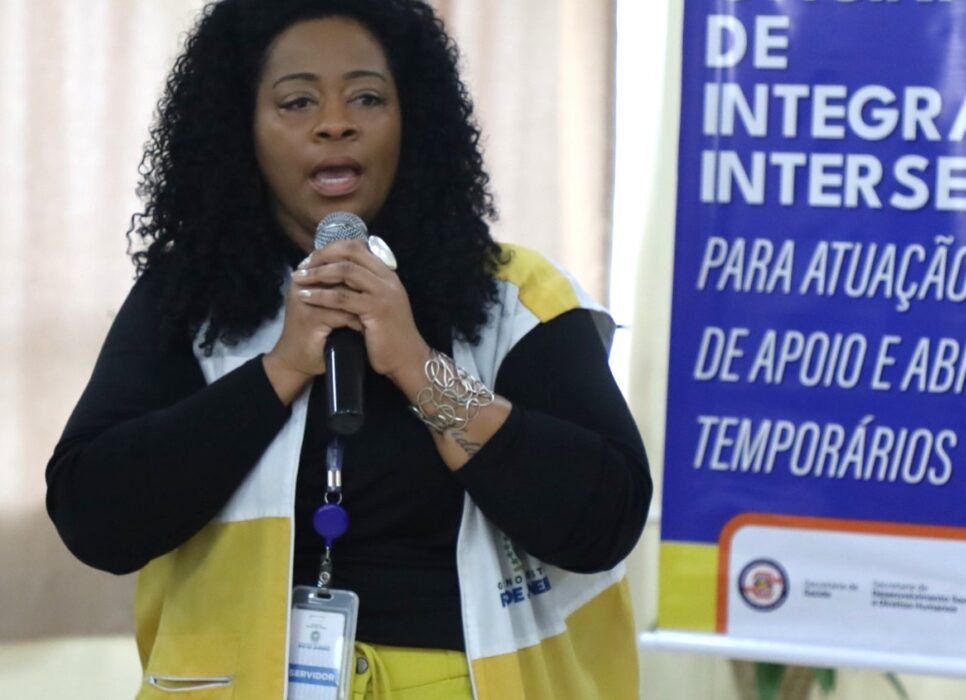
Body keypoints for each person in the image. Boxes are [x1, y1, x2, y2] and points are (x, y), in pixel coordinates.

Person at [44, 1, 651, 698]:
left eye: (367, 97)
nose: (336, 123)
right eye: (297, 102)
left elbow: (604, 521)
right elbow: (95, 520)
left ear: (412, 120)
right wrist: (279, 371)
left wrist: (418, 367)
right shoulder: (191, 300)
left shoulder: (515, 296)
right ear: (243, 129)